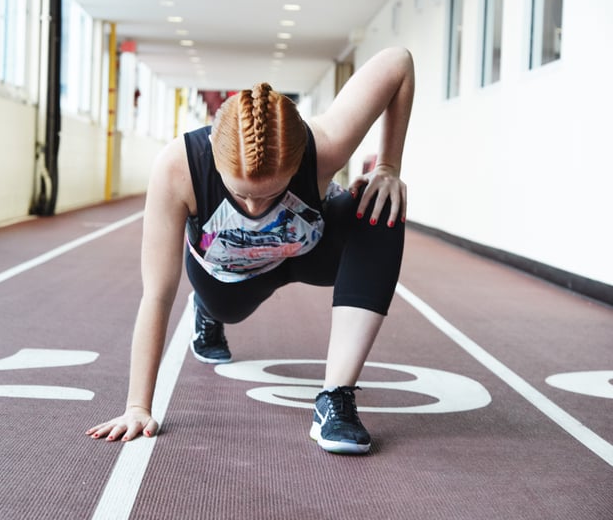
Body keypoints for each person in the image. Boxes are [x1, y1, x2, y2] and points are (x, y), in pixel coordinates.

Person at [87, 47, 414, 454]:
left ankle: (336, 398)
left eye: (272, 193)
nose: (257, 210)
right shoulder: (178, 169)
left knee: (384, 206)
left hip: (307, 250)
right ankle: (206, 313)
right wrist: (138, 405)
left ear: (296, 166)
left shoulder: (325, 145)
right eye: (241, 195)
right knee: (225, 308)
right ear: (216, 164)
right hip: (229, 282)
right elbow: (156, 294)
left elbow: (398, 62)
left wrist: (388, 168)